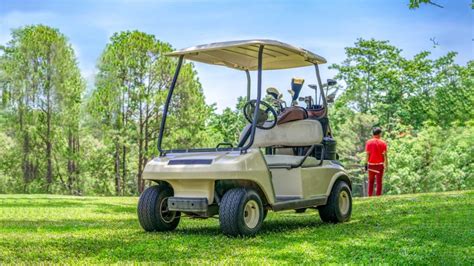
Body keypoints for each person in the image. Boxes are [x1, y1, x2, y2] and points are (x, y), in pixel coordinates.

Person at [365, 127, 388, 197]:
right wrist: (386, 165)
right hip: (380, 165)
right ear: (379, 134)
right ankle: (378, 196)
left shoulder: (368, 142)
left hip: (371, 165)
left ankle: (370, 196)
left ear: (373, 134)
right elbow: (385, 155)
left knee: (371, 181)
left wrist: (366, 164)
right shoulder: (383, 143)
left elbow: (367, 155)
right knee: (379, 182)